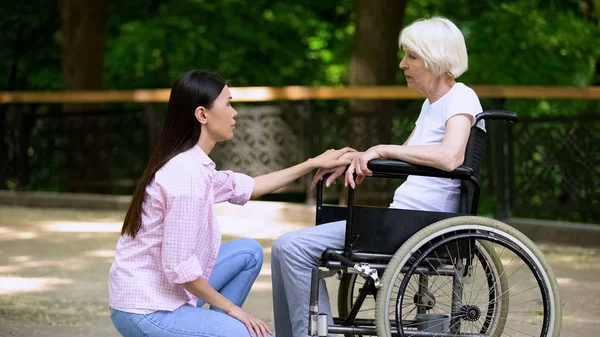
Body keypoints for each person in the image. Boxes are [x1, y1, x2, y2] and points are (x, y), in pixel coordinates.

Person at [271, 16, 485, 337]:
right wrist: (355, 161)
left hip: (420, 225)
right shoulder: (432, 105)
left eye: (411, 56)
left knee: (291, 248)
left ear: (436, 59)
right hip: (402, 220)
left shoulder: (461, 97)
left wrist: (382, 149)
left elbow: (450, 156)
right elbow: (402, 158)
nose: (402, 64)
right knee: (283, 249)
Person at [108, 70, 355, 337]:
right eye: (228, 103)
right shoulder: (185, 177)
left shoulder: (195, 164)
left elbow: (250, 187)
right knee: (257, 334)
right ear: (202, 114)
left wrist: (312, 164)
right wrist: (234, 311)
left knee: (248, 252)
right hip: (148, 310)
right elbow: (179, 267)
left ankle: (208, 330)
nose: (234, 112)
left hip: (165, 294)